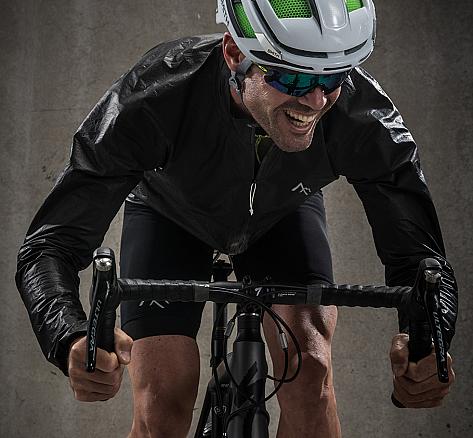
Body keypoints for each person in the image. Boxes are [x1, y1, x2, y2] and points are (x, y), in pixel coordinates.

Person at [16, 1, 457, 437]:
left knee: (311, 377)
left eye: (334, 77)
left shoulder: (363, 114)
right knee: (162, 403)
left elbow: (422, 262)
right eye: (292, 76)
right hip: (169, 213)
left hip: (281, 214)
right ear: (234, 54)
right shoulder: (154, 96)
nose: (316, 100)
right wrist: (69, 337)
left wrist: (427, 344)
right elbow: (49, 245)